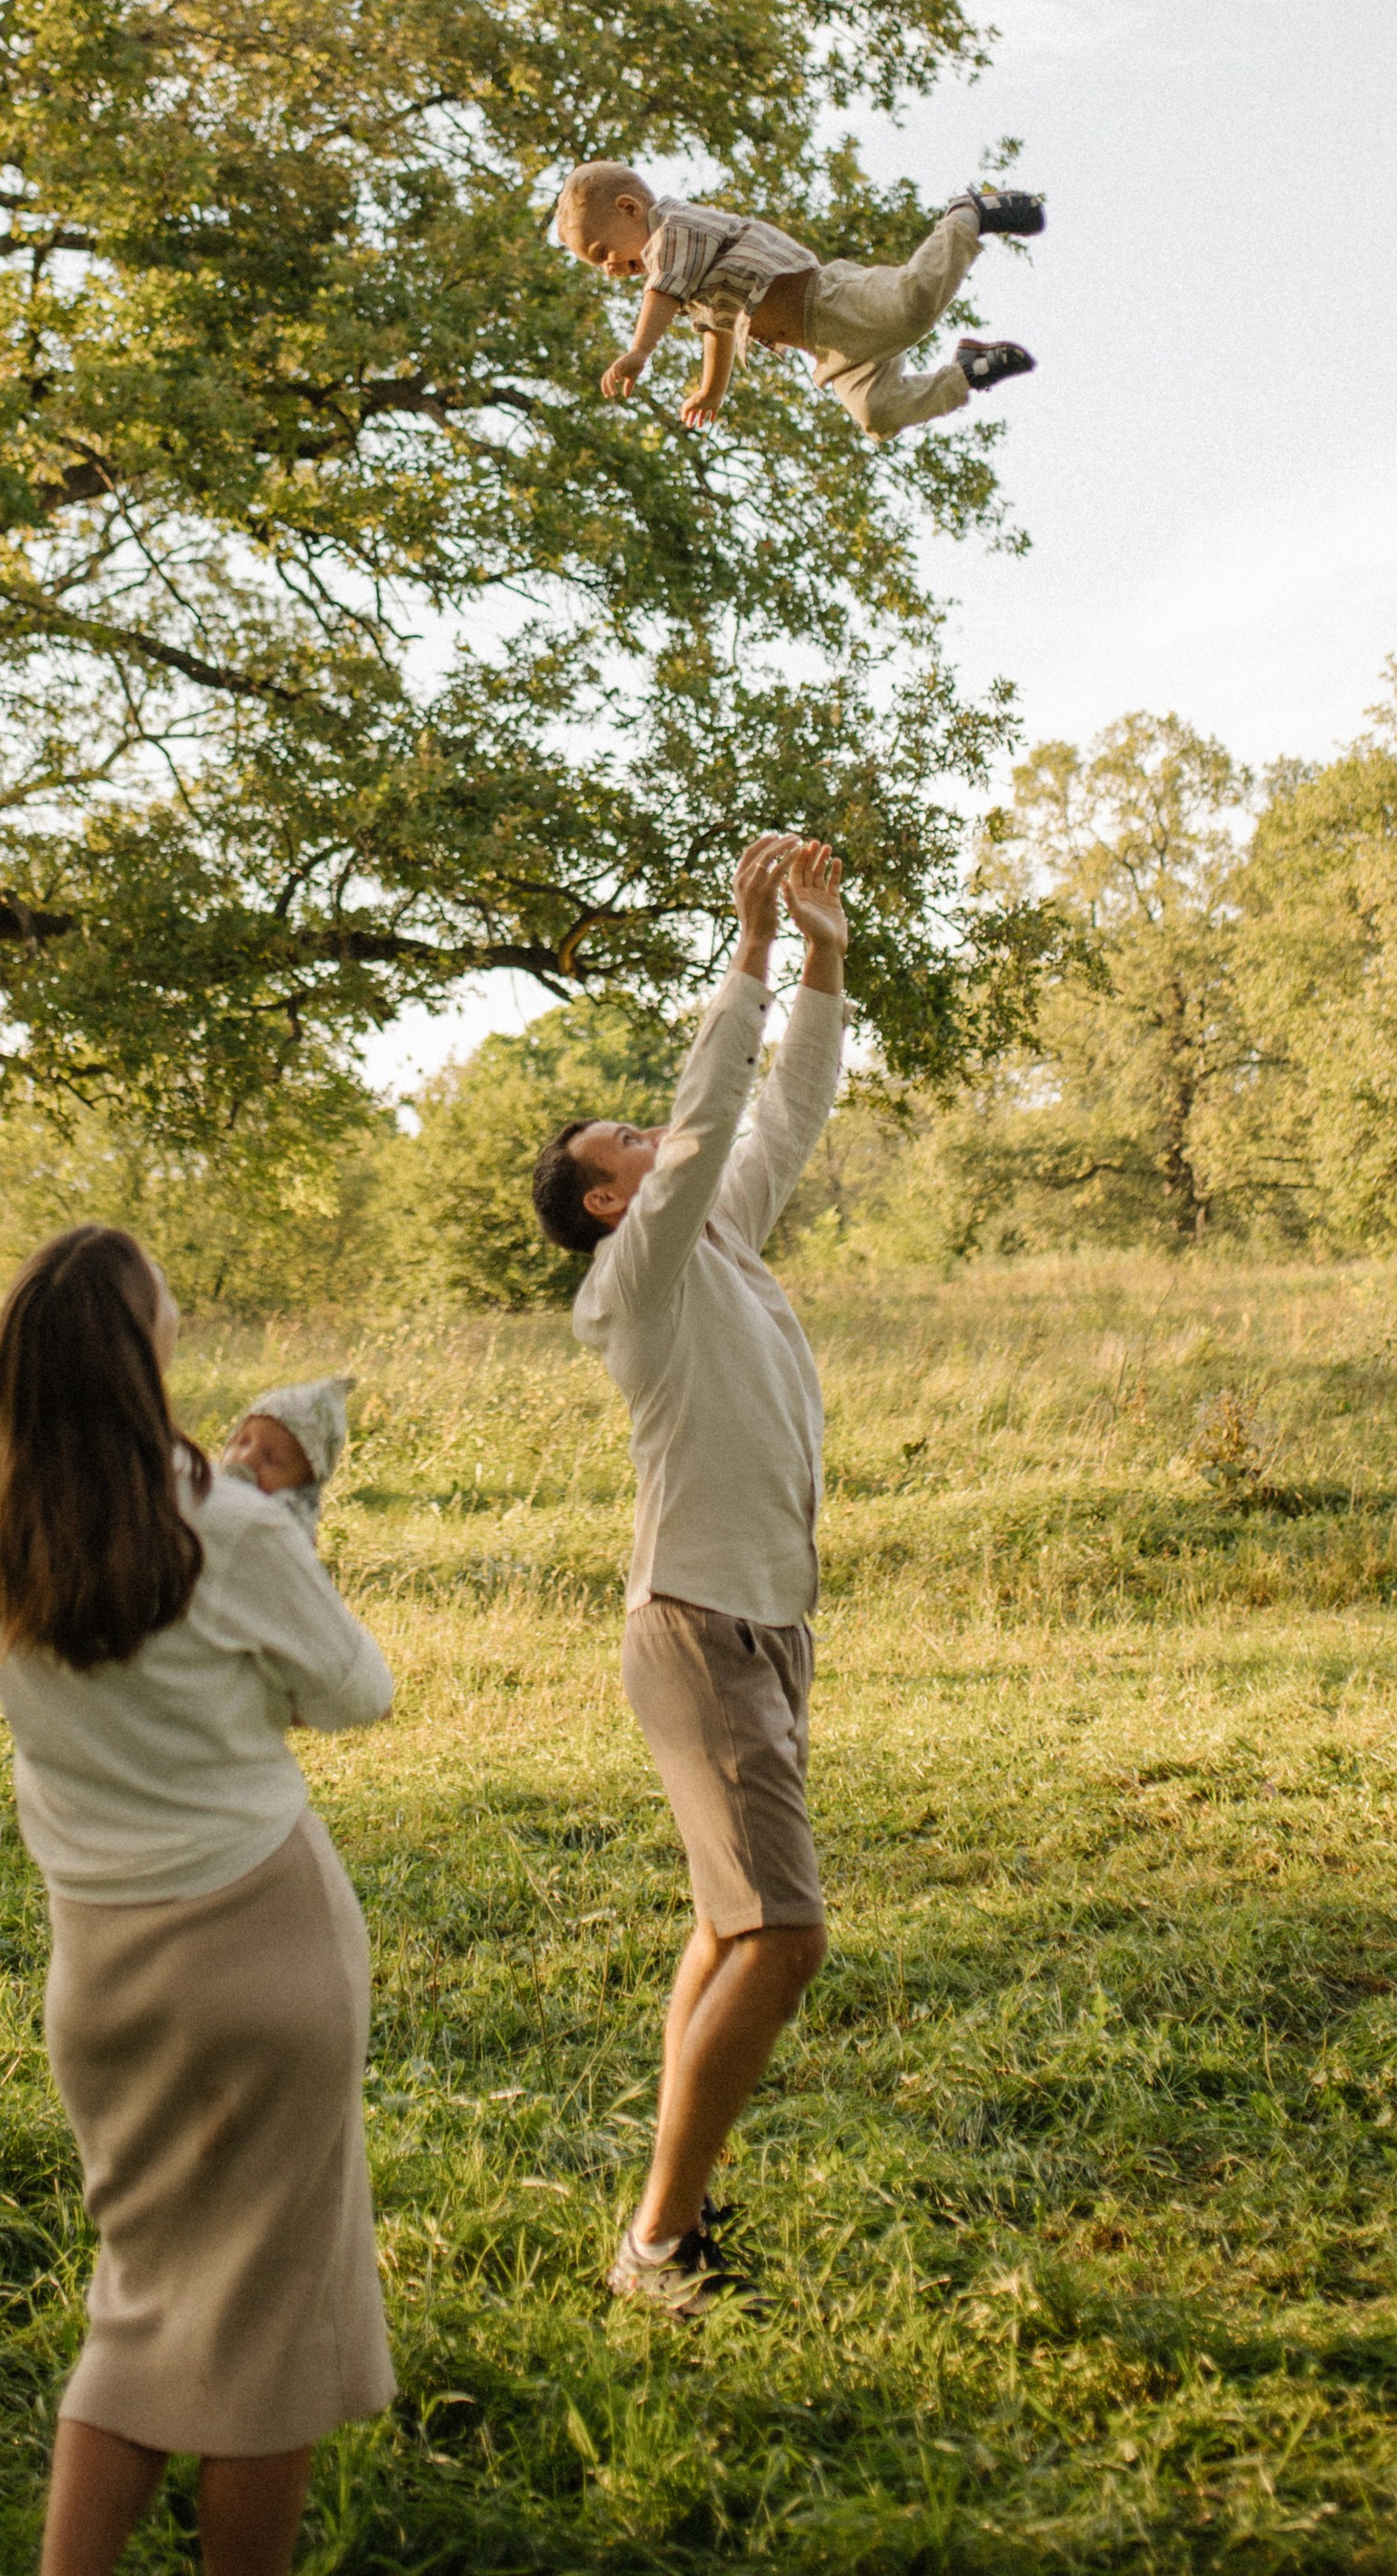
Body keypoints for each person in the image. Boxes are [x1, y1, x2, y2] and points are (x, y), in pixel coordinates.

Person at [0, 1224, 394, 2576]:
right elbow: (356, 1692)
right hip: (261, 1937)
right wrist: (284, 1538)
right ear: (141, 1358)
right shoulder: (229, 1525)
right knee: (267, 2337)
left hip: (100, 1965)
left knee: (140, 2306)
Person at [530, 833, 851, 2315]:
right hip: (698, 1625)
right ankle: (655, 2247)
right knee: (785, 1937)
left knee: (729, 1927)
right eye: (630, 1142)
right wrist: (749, 948)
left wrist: (823, 957)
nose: (658, 1136)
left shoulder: (714, 1234)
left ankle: (680, 2213)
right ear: (609, 1201)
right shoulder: (636, 1274)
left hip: (765, 1625)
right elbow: (717, 1107)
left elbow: (785, 1105)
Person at [554, 160, 1042, 437]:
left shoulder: (674, 230)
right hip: (830, 349)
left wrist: (640, 350)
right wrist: (711, 391)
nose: (609, 268)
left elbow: (661, 288)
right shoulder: (686, 280)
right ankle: (967, 372)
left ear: (629, 209)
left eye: (602, 252)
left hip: (831, 301)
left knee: (911, 309)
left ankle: (967, 215)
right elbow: (716, 330)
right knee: (878, 415)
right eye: (599, 266)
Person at [223, 1373, 352, 1543]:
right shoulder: (209, 1488)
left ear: (302, 1487)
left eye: (271, 1459)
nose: (247, 1458)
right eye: (243, 1442)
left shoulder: (283, 1531)